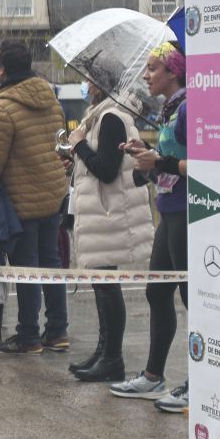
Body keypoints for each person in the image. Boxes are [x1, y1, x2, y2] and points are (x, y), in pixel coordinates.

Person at [0, 40, 69, 355]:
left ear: (2, 69)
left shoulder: (2, 107)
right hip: (53, 193)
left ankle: (28, 336)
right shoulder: (51, 99)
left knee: (26, 267)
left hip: (22, 200)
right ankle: (57, 331)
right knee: (51, 263)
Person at [110, 41, 189, 412]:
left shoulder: (189, 108)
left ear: (173, 71)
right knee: (157, 294)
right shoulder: (170, 110)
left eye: (153, 68)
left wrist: (159, 161)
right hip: (168, 210)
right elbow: (169, 160)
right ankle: (153, 376)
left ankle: (200, 381)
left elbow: (198, 162)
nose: (146, 75)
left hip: (188, 213)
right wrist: (144, 152)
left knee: (194, 300)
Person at [65, 80, 153, 382]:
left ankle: (112, 357)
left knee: (107, 284)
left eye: (91, 80)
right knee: (101, 283)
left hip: (109, 214)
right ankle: (103, 352)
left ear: (104, 83)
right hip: (102, 213)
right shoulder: (102, 115)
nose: (86, 85)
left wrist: (78, 146)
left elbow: (106, 168)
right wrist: (76, 155)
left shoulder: (111, 117)